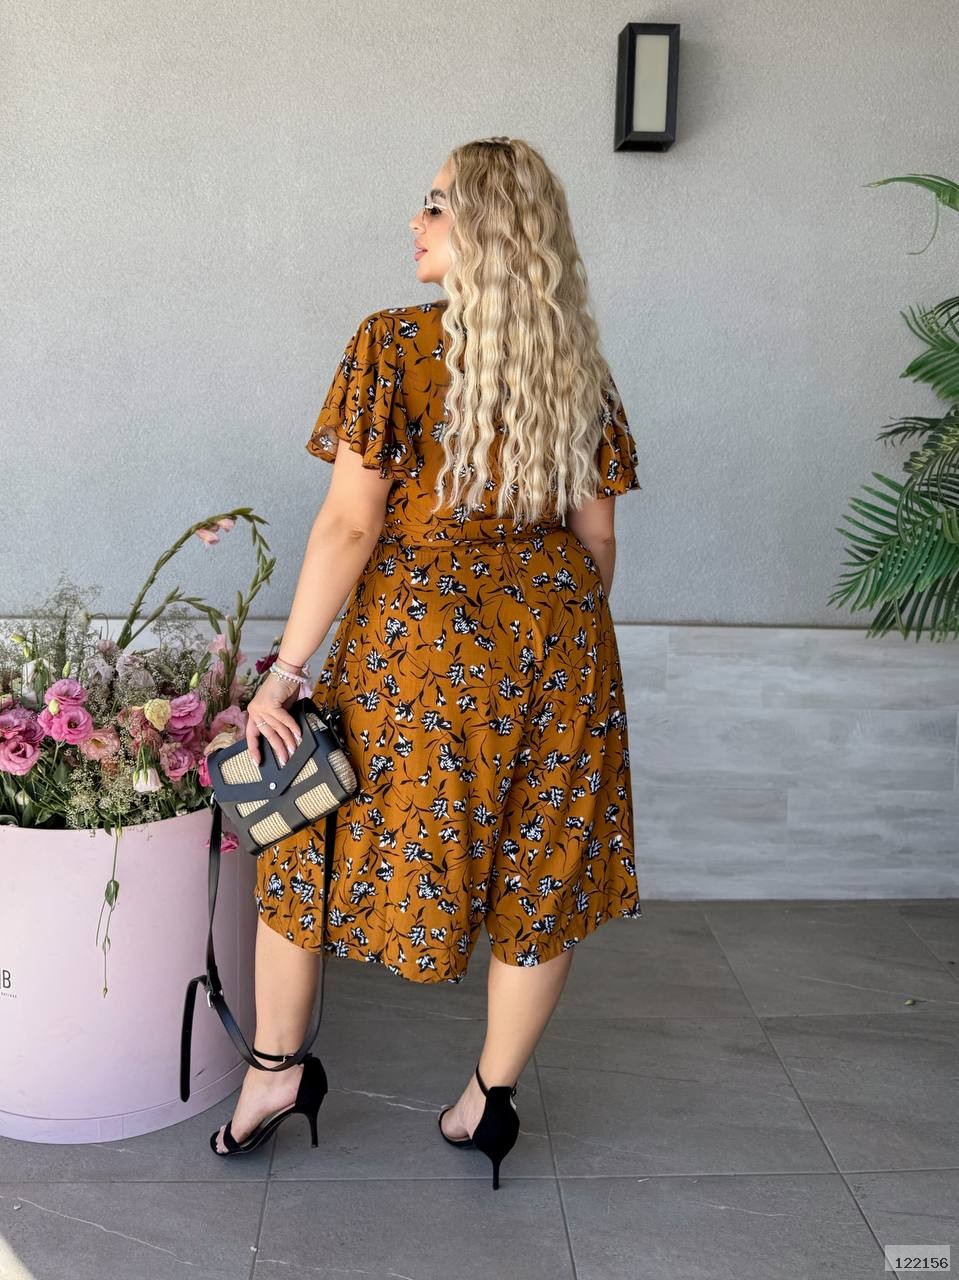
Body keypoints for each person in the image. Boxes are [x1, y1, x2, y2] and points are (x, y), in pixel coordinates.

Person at [211, 136, 644, 1188]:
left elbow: (348, 527)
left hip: (419, 646)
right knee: (540, 864)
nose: (416, 220)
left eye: (439, 204)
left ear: (487, 229)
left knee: (304, 829)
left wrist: (284, 674)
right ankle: (488, 1101)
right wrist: (548, 634)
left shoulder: (394, 343)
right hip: (559, 644)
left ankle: (274, 1075)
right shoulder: (576, 367)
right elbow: (596, 542)